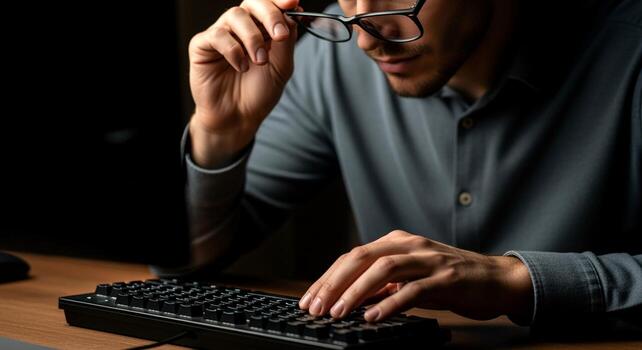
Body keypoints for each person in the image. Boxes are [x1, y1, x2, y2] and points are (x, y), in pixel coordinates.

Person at [170, 0, 641, 331]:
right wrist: (219, 133)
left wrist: (516, 281)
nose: (367, 38)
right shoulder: (326, 57)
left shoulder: (630, 53)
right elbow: (183, 263)